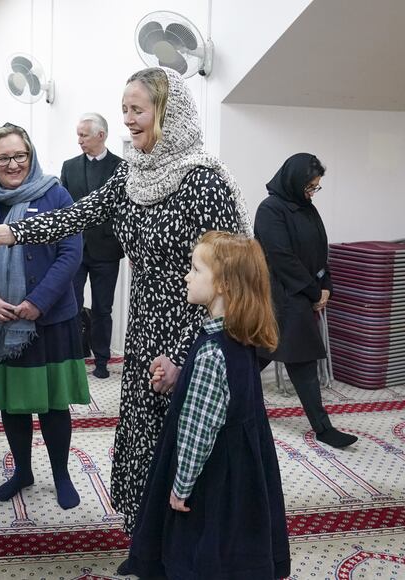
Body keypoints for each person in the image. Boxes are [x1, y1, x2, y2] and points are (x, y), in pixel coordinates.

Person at [0, 67, 253, 533]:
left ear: (169, 113)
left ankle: (184, 550)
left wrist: (185, 358)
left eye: (138, 110)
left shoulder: (205, 182)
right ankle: (147, 542)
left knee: (188, 445)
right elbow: (75, 215)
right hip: (145, 327)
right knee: (145, 441)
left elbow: (231, 283)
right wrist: (7, 233)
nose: (128, 120)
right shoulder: (133, 173)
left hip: (194, 336)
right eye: (124, 110)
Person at [122, 231, 290, 579]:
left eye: (196, 270)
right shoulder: (236, 336)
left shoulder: (213, 351)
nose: (187, 275)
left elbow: (197, 435)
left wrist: (181, 487)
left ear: (223, 285)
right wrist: (181, 376)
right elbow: (219, 399)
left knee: (197, 549)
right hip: (240, 472)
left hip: (208, 479)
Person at [0, 123, 88, 509]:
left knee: (52, 403)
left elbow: (70, 254)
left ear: (30, 157)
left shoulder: (56, 194)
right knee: (12, 402)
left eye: (20, 156)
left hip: (46, 322)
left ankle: (62, 475)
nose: (13, 164)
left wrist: (38, 301)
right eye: (4, 158)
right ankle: (22, 471)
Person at [254, 153, 357, 449]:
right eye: (310, 186)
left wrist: (326, 285)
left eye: (316, 187)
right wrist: (314, 292)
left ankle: (220, 397)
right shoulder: (270, 209)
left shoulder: (306, 208)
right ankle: (323, 427)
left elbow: (320, 250)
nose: (313, 192)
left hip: (302, 292)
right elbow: (282, 258)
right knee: (295, 359)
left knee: (260, 356)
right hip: (280, 296)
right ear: (294, 181)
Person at [61, 112, 124, 378]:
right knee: (72, 305)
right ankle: (75, 358)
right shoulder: (69, 166)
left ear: (101, 135)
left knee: (102, 308)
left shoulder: (121, 167)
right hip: (75, 250)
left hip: (107, 251)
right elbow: (63, 209)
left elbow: (124, 209)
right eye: (78, 135)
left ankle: (101, 360)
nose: (79, 140)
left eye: (83, 135)